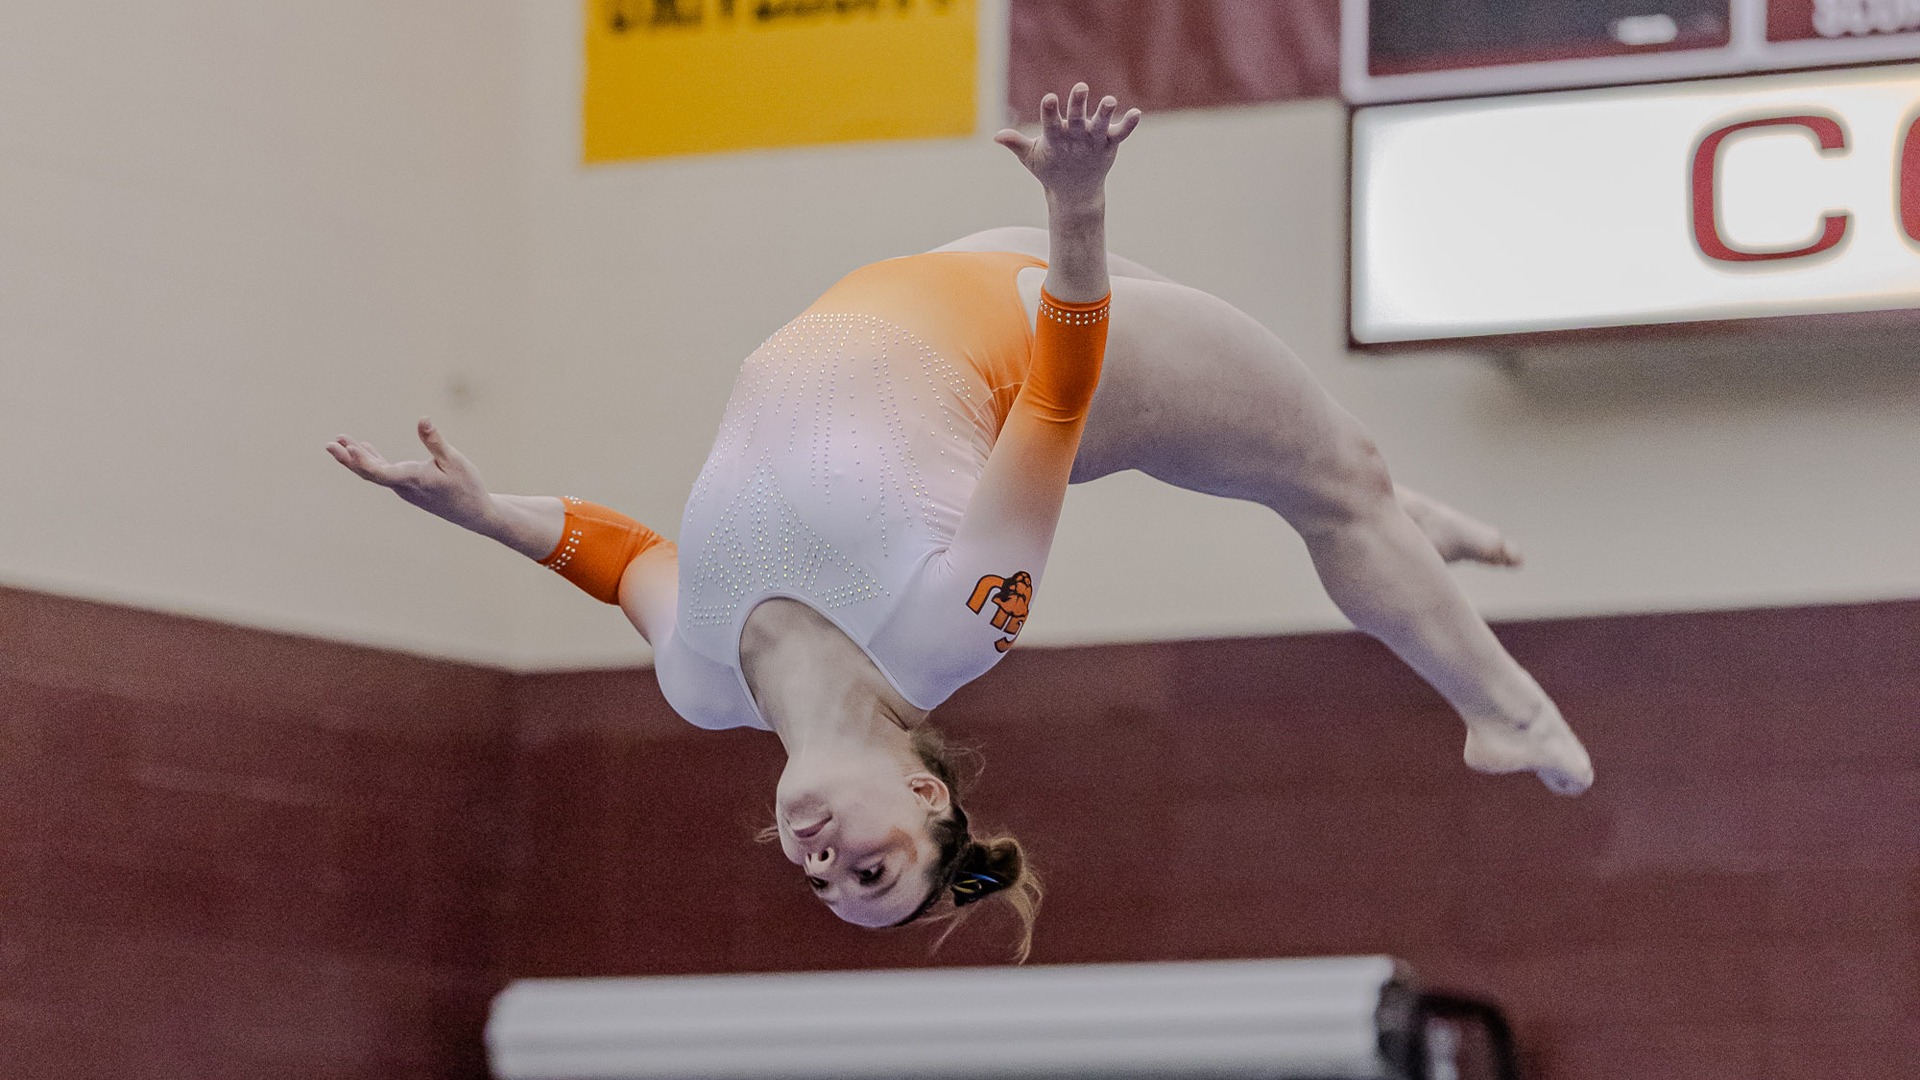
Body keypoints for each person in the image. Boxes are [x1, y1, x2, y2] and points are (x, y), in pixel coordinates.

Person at [327, 85, 1592, 961]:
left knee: (1292, 463)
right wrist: (1080, 207)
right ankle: (1503, 710)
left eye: (819, 882)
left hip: (939, 278)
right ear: (925, 793)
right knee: (1339, 474)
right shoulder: (952, 631)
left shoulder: (704, 684)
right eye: (870, 871)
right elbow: (1060, 397)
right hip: (1039, 334)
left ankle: (1351, 506)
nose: (824, 861)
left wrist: (487, 513)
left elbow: (629, 558)